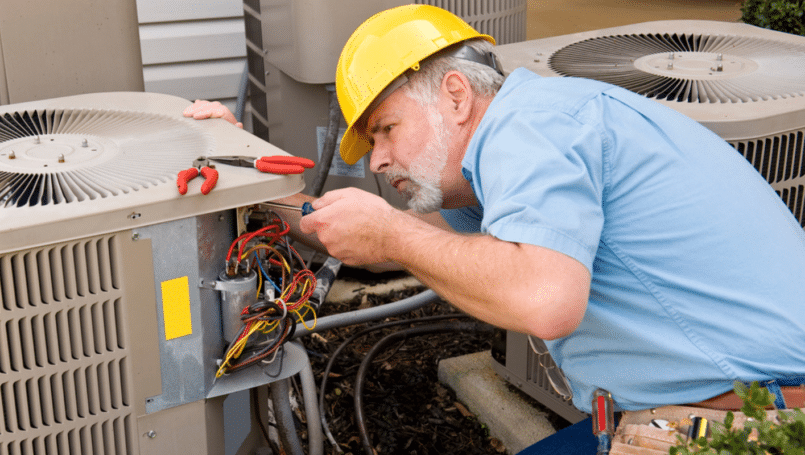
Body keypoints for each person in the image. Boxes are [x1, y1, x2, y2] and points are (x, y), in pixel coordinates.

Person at [187, 3, 805, 451]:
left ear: (455, 95)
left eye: (386, 129)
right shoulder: (503, 149)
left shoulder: (532, 127)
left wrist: (396, 234)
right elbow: (379, 244)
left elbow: (544, 301)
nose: (375, 160)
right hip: (697, 409)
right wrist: (255, 179)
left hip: (754, 422)